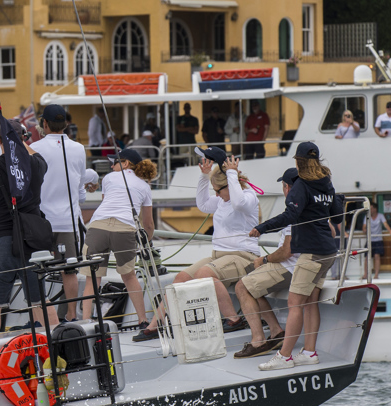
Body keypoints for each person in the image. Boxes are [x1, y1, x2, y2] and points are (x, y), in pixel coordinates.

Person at [135, 151, 260, 341]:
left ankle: (234, 319)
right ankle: (155, 325)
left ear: (231, 184)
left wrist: (232, 173)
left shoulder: (248, 197)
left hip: (243, 256)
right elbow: (202, 204)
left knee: (204, 274)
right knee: (181, 277)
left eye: (218, 189)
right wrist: (204, 176)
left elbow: (239, 202)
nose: (216, 194)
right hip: (219, 256)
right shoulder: (222, 200)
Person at [254, 142, 343, 370]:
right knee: (311, 301)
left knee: (295, 303)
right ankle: (310, 352)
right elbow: (337, 218)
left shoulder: (302, 185)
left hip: (311, 253)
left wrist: (262, 227)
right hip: (328, 251)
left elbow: (290, 215)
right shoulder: (326, 183)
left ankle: (285, 356)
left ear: (298, 161)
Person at [0, 128, 54, 336]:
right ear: (23, 139)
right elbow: (35, 155)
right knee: (40, 299)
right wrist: (20, 141)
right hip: (32, 243)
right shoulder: (36, 165)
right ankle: (53, 344)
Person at [79, 149, 155, 328]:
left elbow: (106, 202)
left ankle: (85, 322)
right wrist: (146, 241)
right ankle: (143, 320)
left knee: (92, 277)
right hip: (125, 229)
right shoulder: (145, 186)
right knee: (129, 277)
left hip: (98, 227)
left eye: (114, 162)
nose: (111, 166)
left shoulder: (109, 178)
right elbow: (148, 224)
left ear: (125, 163)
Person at [232, 168, 300, 358]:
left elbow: (287, 251)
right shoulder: (307, 204)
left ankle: (259, 341)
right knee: (249, 283)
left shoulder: (295, 209)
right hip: (298, 265)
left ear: (287, 187)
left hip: (290, 266)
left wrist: (264, 259)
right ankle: (276, 331)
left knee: (242, 287)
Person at [30, 105, 87, 318]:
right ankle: (72, 315)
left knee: (38, 272)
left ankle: (43, 318)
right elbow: (80, 187)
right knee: (69, 271)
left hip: (40, 222)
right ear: (66, 124)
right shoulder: (78, 148)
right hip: (68, 221)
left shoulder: (34, 147)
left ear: (44, 124)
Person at [366, 203, 391, 279]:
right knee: (367, 257)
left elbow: (385, 224)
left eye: (371, 208)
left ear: (375, 209)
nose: (370, 210)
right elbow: (364, 227)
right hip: (370, 240)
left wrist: (390, 231)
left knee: (377, 256)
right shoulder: (367, 216)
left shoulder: (380, 216)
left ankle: (376, 275)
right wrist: (364, 230)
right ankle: (365, 274)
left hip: (378, 240)